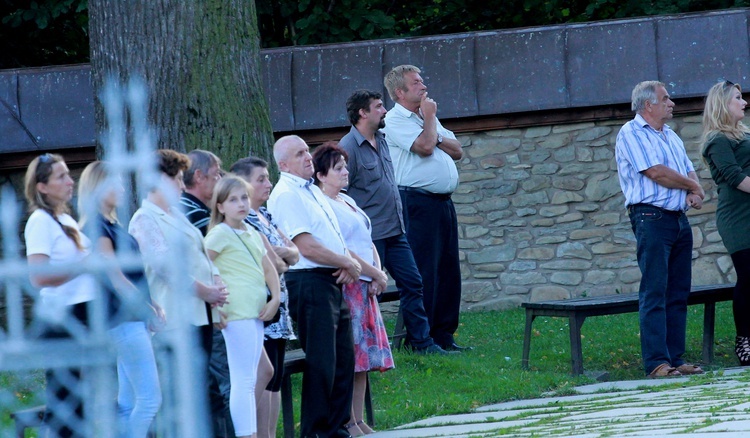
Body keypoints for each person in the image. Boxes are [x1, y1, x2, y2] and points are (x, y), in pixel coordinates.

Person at [340, 89, 454, 355]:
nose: (385, 111)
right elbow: (340, 193)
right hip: (370, 236)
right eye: (379, 107)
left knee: (414, 283)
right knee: (371, 291)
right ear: (362, 113)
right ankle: (368, 347)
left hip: (396, 230)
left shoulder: (383, 138)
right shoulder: (348, 148)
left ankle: (422, 343)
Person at [128, 149, 229, 431]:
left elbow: (201, 255)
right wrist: (205, 291)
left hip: (200, 316)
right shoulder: (144, 218)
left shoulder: (176, 214)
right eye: (176, 180)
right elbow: (165, 268)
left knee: (201, 393)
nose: (182, 187)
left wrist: (216, 284)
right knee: (183, 397)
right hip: (174, 320)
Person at [268, 135, 360, 438]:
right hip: (309, 283)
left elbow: (330, 236)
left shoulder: (312, 192)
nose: (308, 156)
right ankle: (315, 432)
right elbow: (305, 246)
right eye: (299, 154)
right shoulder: (286, 194)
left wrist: (345, 262)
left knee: (343, 360)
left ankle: (336, 428)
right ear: (284, 165)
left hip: (330, 280)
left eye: (307, 151)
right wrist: (345, 263)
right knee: (323, 362)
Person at [615, 80, 706, 377]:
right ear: (648, 105)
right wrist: (693, 185)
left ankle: (675, 359)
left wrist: (692, 190)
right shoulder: (631, 133)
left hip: (678, 219)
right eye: (666, 99)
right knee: (655, 289)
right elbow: (656, 172)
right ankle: (656, 362)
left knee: (678, 291)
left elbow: (686, 167)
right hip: (651, 218)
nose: (672, 103)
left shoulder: (670, 135)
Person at [381, 66, 469, 352]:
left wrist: (432, 125)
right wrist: (429, 119)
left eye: (422, 79)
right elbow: (425, 147)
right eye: (415, 83)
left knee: (447, 269)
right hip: (416, 202)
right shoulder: (394, 120)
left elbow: (457, 151)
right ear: (400, 92)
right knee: (425, 270)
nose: (423, 85)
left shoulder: (426, 117)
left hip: (442, 203)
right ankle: (421, 338)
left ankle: (444, 334)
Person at [312, 143, 394, 436]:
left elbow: (368, 239)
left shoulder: (347, 200)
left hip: (367, 284)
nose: (345, 172)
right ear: (321, 174)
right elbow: (342, 247)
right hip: (350, 286)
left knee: (364, 359)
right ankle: (346, 419)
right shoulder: (323, 204)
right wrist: (372, 273)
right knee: (352, 357)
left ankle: (358, 418)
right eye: (338, 168)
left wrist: (379, 273)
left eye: (345, 166)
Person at [77, 161, 162, 437]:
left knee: (127, 403)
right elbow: (115, 277)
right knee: (150, 401)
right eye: (116, 182)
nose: (123, 188)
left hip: (131, 317)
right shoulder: (97, 226)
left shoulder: (112, 223)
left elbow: (133, 273)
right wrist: (146, 309)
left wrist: (151, 302)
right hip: (124, 319)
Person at [24, 153, 98, 437]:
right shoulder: (40, 221)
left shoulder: (64, 218)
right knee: (65, 405)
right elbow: (38, 276)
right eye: (61, 176)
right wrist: (83, 266)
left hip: (82, 315)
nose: (70, 181)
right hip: (61, 319)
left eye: (69, 174)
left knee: (79, 404)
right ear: (42, 186)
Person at [205, 175, 281, 438]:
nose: (241, 203)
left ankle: (247, 431)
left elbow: (269, 269)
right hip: (236, 313)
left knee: (263, 371)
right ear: (220, 206)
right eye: (233, 199)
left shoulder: (251, 232)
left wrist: (276, 298)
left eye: (244, 198)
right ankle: (246, 434)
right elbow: (203, 263)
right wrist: (214, 307)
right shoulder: (219, 234)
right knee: (244, 380)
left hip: (255, 312)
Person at [230, 157, 298, 438]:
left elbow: (293, 253)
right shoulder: (243, 222)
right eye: (261, 179)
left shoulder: (265, 216)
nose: (268, 183)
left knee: (276, 377)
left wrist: (280, 255)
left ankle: (270, 434)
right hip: (261, 308)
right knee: (264, 374)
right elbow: (275, 262)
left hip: (280, 308)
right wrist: (279, 256)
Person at [179, 149, 233, 437]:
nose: (221, 180)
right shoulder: (191, 213)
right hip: (203, 311)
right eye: (216, 175)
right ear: (198, 177)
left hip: (210, 309)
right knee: (220, 388)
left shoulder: (197, 211)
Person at [700, 80, 750, 366]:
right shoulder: (717, 139)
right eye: (738, 98)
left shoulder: (744, 134)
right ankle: (744, 341)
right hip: (738, 218)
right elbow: (733, 176)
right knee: (748, 277)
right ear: (723, 104)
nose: (743, 103)